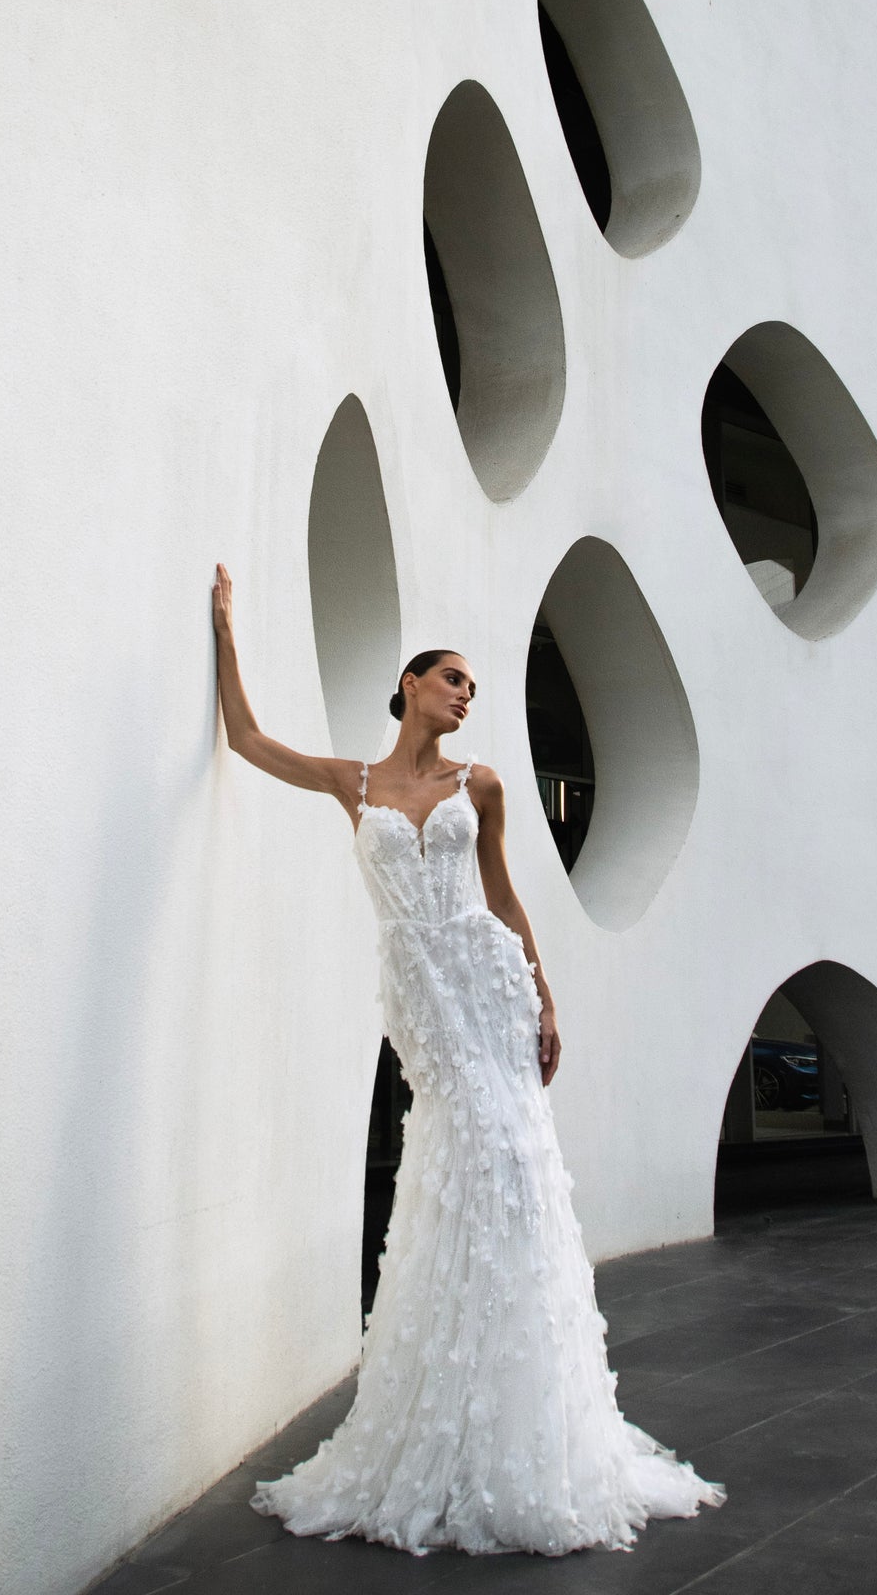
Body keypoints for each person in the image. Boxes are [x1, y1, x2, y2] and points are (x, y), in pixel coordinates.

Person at [210, 563, 725, 1556]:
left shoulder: (478, 783)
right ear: (408, 685)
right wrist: (228, 634)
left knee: (507, 1164)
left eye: (472, 688)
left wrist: (543, 994)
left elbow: (503, 897)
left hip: (486, 987)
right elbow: (247, 739)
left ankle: (518, 1417)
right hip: (419, 995)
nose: (464, 694)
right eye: (451, 678)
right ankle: (443, 1405)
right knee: (452, 1167)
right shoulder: (354, 783)